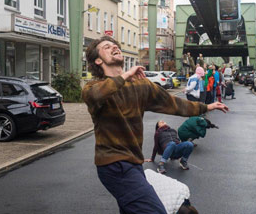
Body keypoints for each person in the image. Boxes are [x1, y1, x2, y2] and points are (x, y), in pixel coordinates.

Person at [82, 36, 229, 214]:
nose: (114, 47)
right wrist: (126, 75)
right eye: (107, 47)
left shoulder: (140, 85)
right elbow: (95, 96)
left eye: (115, 45)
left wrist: (206, 107)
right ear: (98, 60)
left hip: (134, 163)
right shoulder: (93, 87)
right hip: (113, 165)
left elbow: (172, 102)